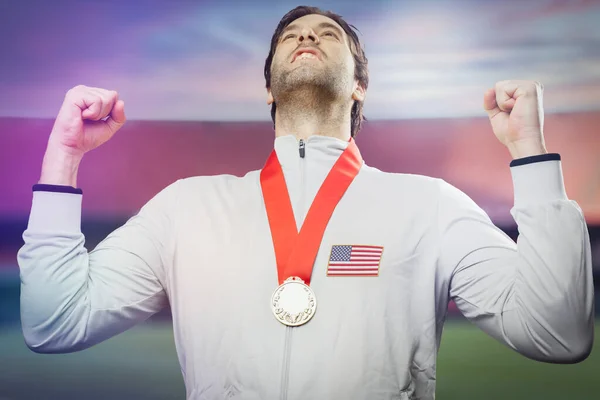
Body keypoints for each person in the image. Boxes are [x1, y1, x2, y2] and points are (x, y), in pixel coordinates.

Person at [18, 5, 594, 400]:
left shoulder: (430, 205)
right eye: (290, 35)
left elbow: (559, 331)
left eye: (327, 33)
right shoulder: (185, 207)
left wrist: (531, 154)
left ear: (360, 84)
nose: (306, 36)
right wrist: (64, 156)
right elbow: (53, 322)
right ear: (268, 86)